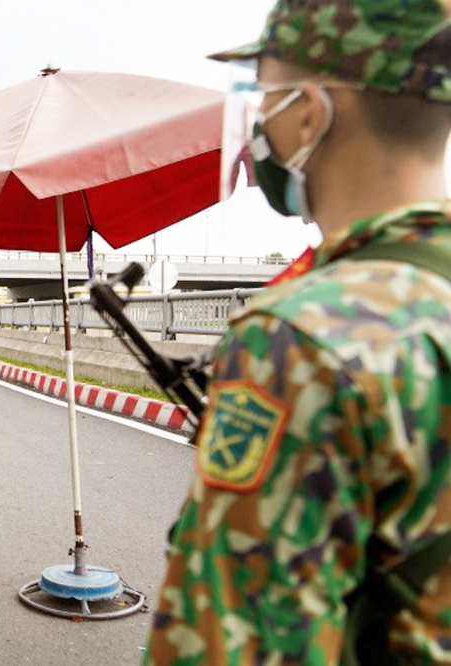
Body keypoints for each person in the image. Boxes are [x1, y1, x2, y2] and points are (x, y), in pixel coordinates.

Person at [142, 2, 451, 664]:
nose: (259, 122)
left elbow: (231, 641)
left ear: (312, 111)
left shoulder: (305, 339)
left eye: (263, 95)